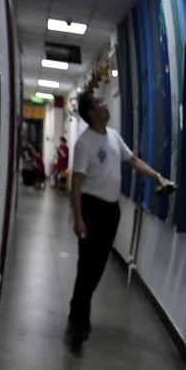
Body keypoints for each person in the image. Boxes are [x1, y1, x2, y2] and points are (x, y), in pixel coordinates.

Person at [67, 92, 176, 345]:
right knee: (87, 267)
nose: (105, 104)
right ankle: (79, 323)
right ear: (92, 112)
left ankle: (77, 311)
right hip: (91, 209)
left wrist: (158, 177)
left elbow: (134, 161)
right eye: (100, 103)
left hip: (111, 212)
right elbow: (77, 183)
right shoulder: (84, 143)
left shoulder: (114, 136)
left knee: (97, 268)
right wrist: (78, 218)